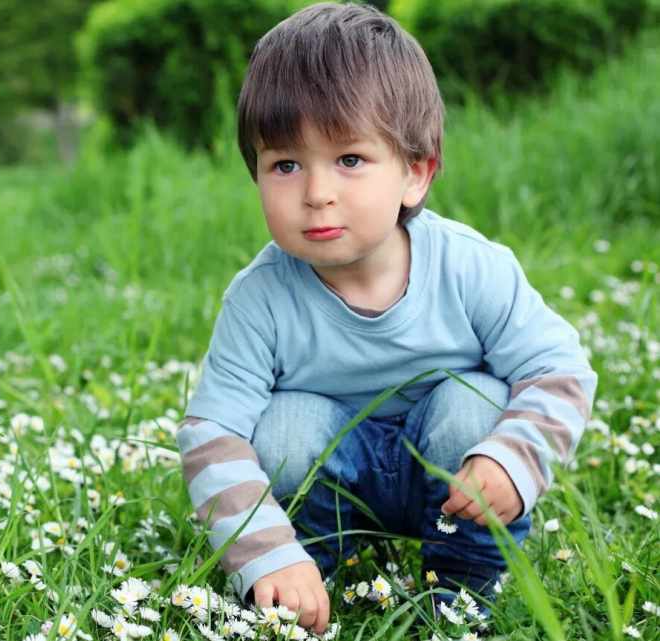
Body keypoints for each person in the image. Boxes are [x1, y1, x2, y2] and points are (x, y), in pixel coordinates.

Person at [175, 2, 597, 634]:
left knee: (474, 401)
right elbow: (212, 432)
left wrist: (515, 457)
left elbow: (560, 370)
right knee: (285, 427)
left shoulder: (470, 267)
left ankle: (464, 584)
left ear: (415, 173)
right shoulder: (258, 297)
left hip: (456, 476)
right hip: (328, 484)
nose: (317, 192)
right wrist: (264, 548)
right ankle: (302, 577)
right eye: (285, 164)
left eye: (349, 159)